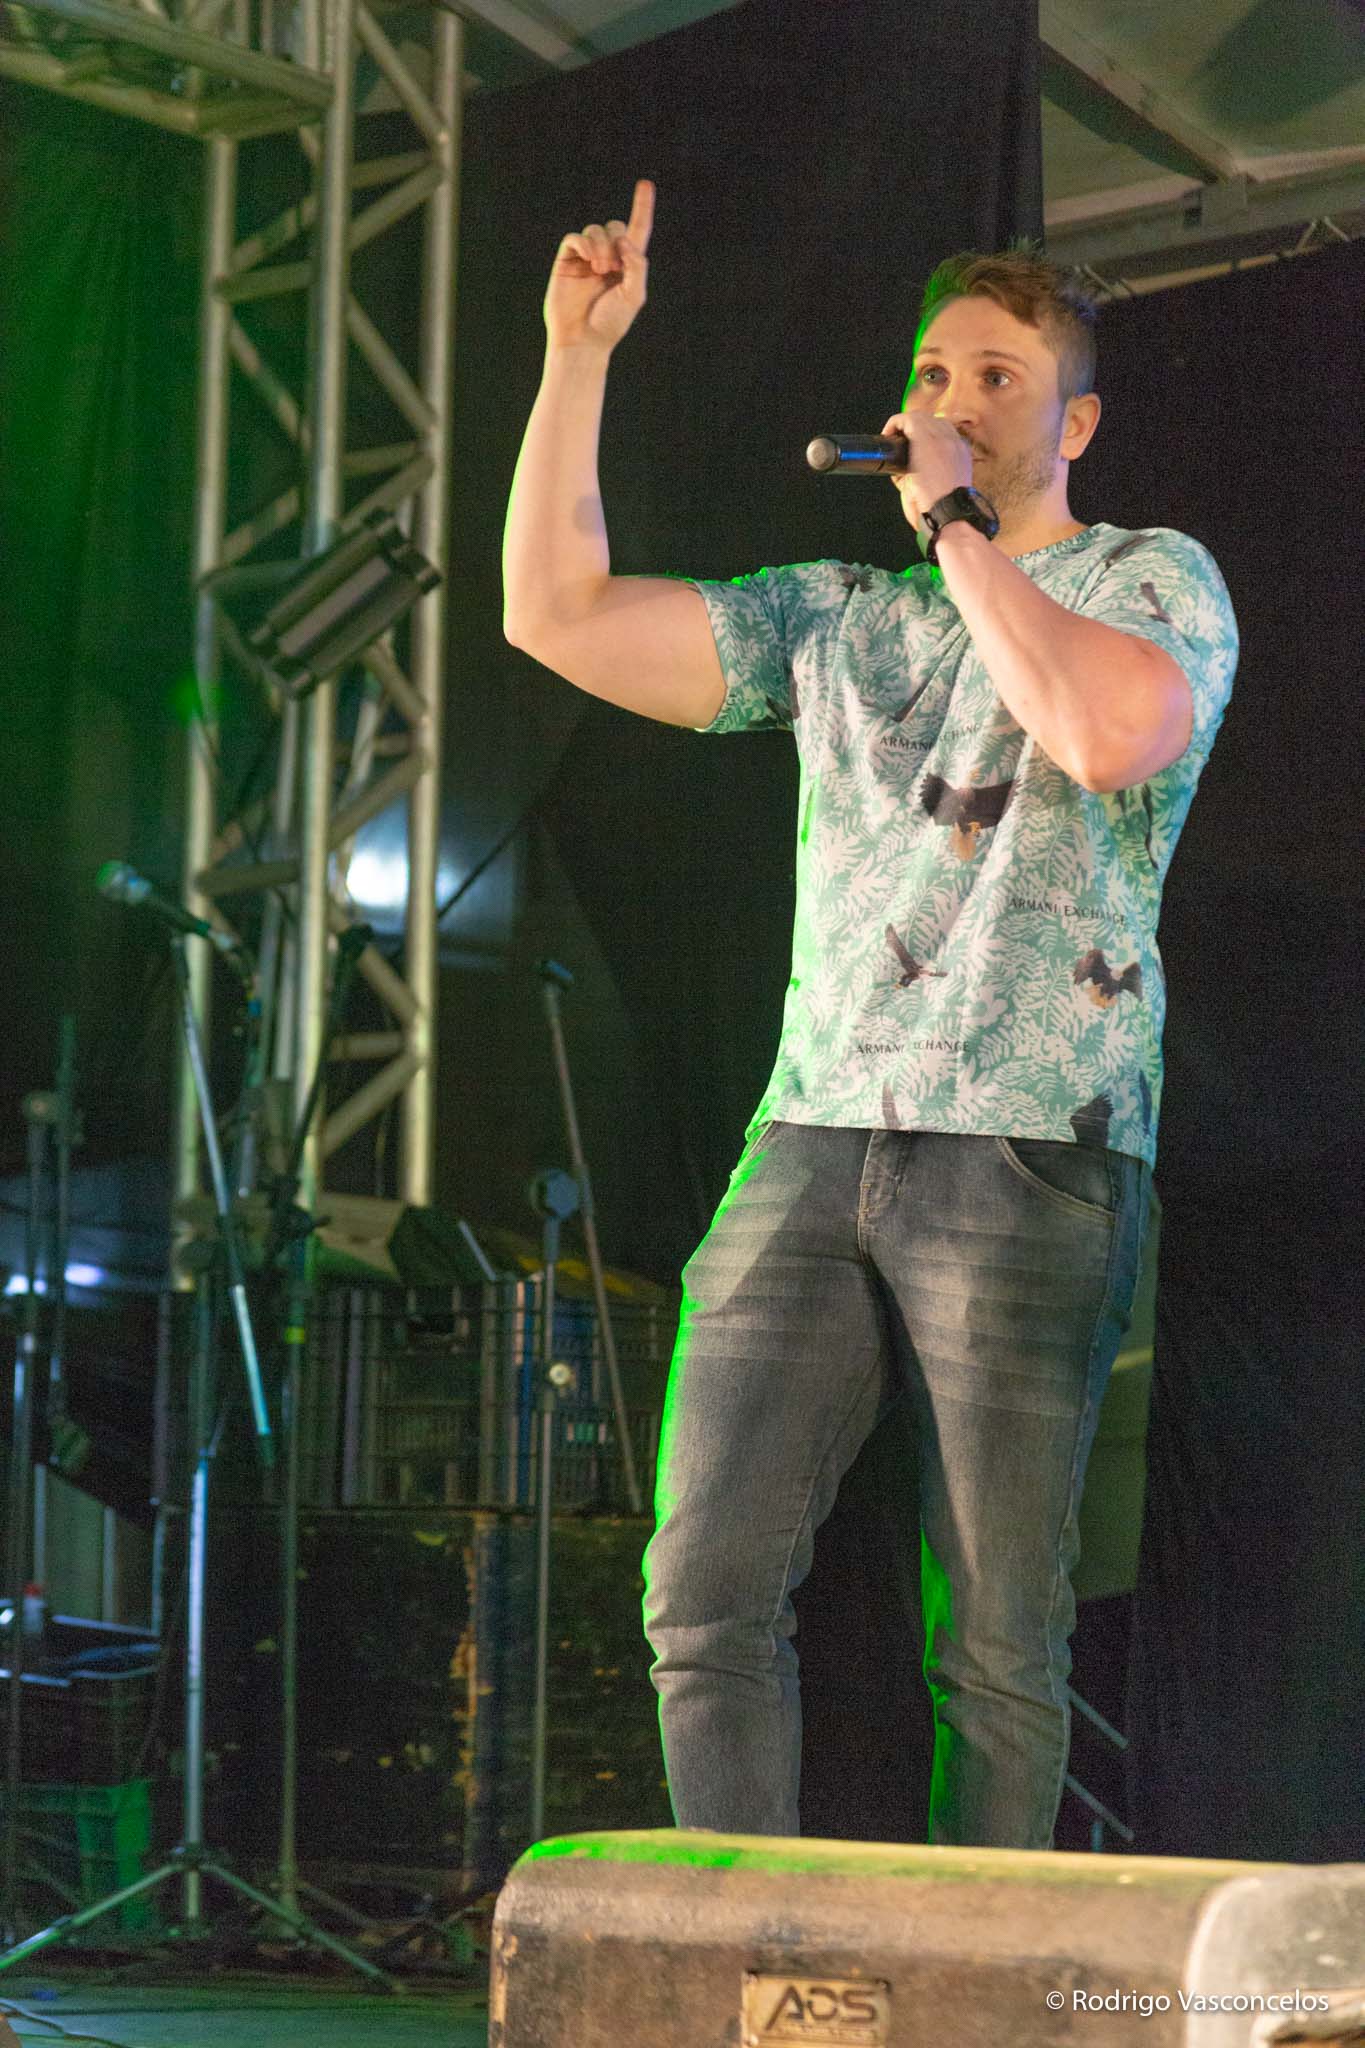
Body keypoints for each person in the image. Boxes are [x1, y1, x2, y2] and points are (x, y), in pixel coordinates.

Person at [502, 179, 1239, 1848]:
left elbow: (1103, 737)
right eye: (930, 373)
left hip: (1029, 1147)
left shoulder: (1148, 578)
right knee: (700, 1589)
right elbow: (553, 615)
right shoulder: (840, 618)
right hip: (815, 1130)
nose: (949, 399)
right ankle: (741, 1954)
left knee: (991, 1635)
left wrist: (960, 526)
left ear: (1075, 422)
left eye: (994, 375)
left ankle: (984, 1974)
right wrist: (576, 356)